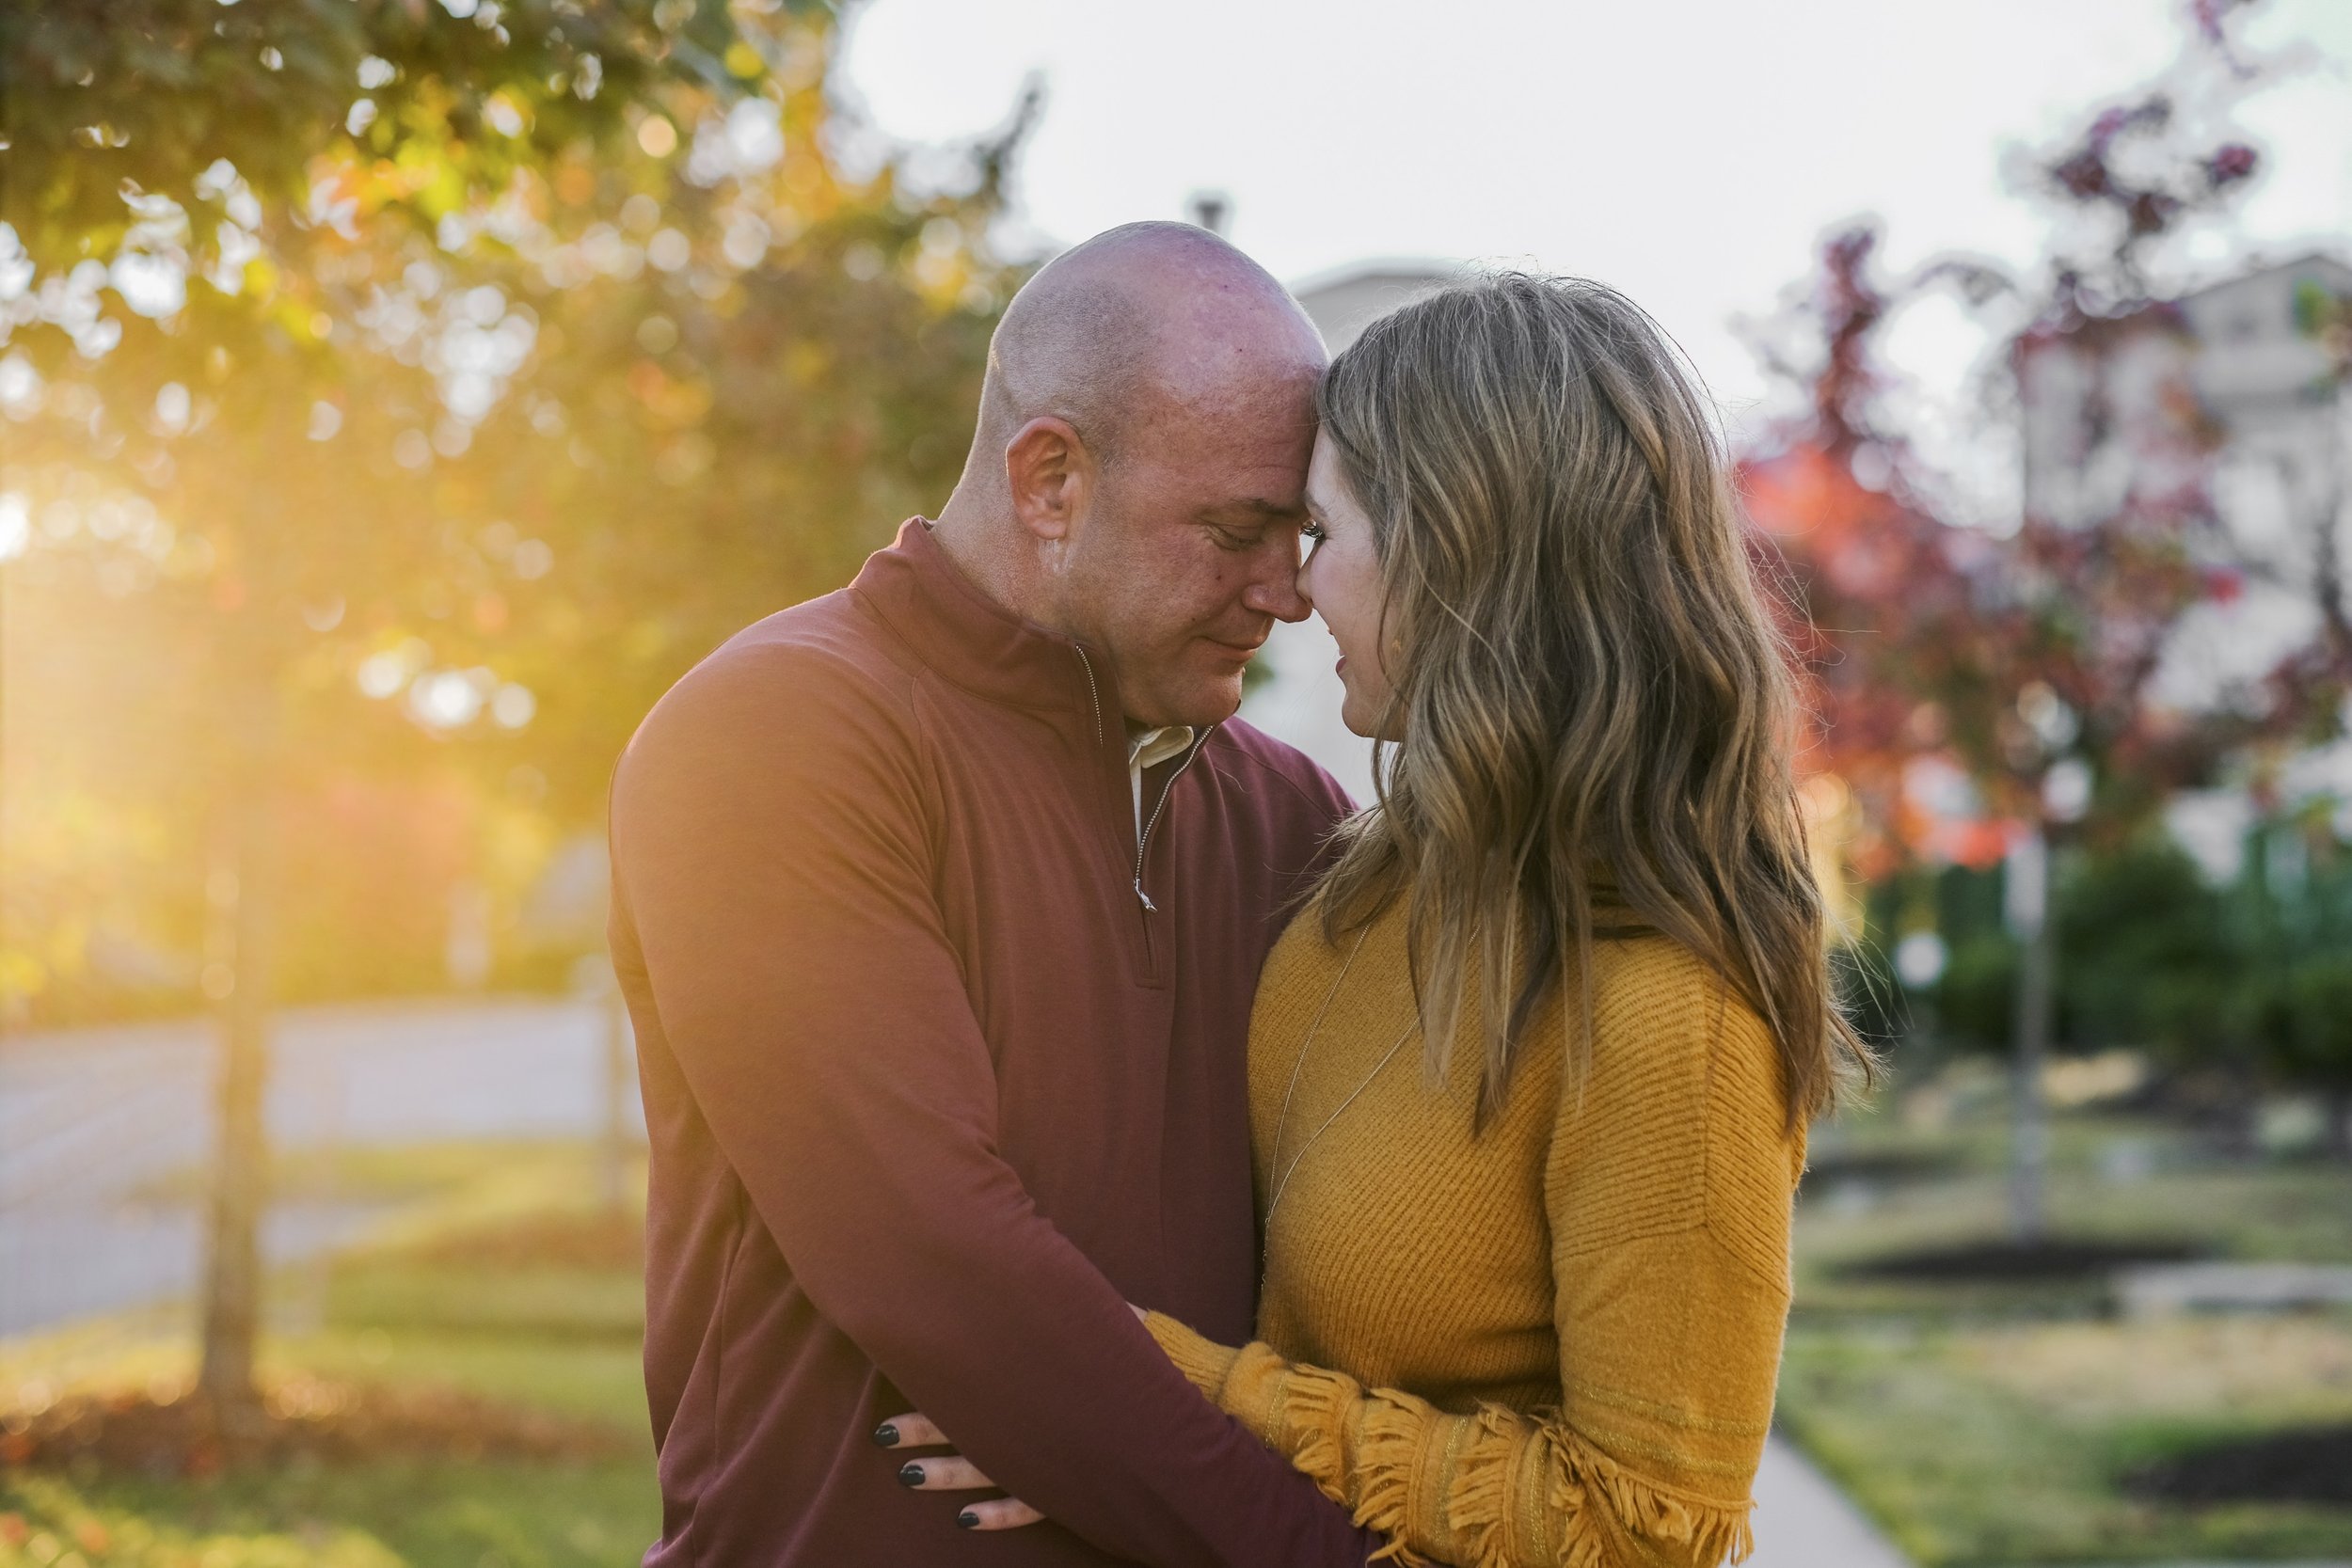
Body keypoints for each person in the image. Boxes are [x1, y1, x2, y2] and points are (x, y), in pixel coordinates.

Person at [894, 274, 1872, 1568]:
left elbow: (1655, 1529)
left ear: (1459, 552)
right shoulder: (1357, 891)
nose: (1294, 595)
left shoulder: (1667, 1014)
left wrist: (1176, 1400)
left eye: (1318, 532)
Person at [606, 222, 1384, 1566]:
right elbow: (935, 1259)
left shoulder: (1290, 822)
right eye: (1235, 532)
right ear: (1050, 481)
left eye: (1302, 536)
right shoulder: (777, 735)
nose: (1287, 596)